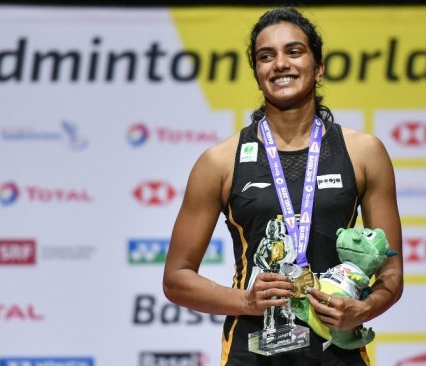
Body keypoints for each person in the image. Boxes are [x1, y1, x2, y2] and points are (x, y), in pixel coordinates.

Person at [163, 7, 403, 366]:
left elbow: (391, 271)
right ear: (257, 73)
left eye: (293, 51)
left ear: (318, 66)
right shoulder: (219, 162)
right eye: (266, 56)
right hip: (252, 349)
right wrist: (246, 301)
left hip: (336, 351)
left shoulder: (364, 152)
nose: (280, 64)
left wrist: (363, 308)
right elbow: (176, 278)